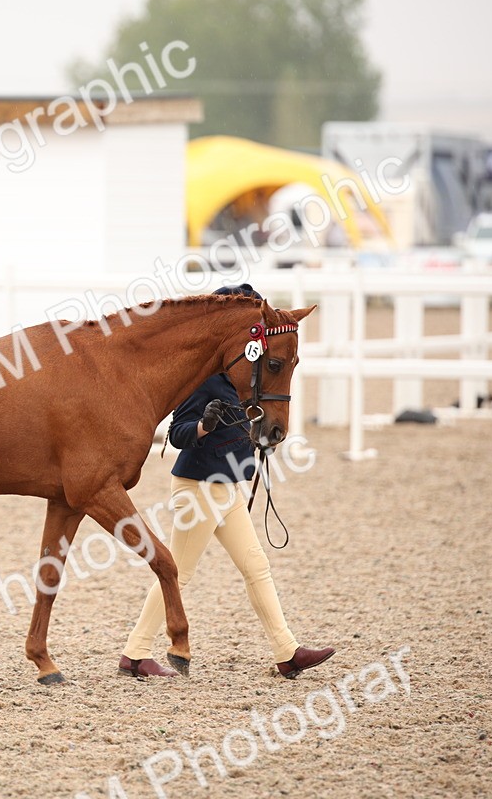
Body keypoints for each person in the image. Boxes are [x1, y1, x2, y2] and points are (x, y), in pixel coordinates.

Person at [118, 284, 335, 680]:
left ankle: (287, 652)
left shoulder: (249, 377)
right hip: (198, 487)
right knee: (178, 574)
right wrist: (204, 424)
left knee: (257, 567)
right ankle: (135, 654)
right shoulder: (205, 377)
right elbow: (176, 432)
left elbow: (256, 415)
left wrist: (262, 437)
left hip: (228, 487)